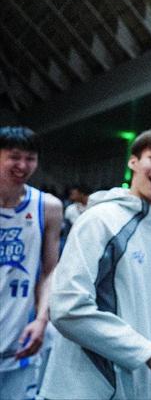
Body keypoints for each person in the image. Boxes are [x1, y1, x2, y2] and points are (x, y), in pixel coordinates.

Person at [40, 130, 151, 399]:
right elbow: (67, 307)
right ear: (133, 162)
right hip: (86, 389)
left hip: (132, 387)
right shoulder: (100, 221)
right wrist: (146, 352)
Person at [0, 126, 62, 400]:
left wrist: (41, 319)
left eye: (30, 158)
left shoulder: (47, 207)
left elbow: (50, 271)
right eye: (14, 157)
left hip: (20, 341)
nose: (23, 165)